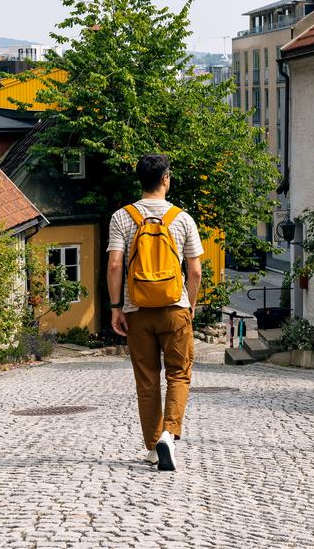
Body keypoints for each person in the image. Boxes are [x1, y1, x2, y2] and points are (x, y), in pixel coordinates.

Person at [107, 154, 203, 472]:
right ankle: (168, 434)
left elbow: (115, 264)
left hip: (137, 310)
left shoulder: (122, 217)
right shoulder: (182, 219)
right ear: (165, 179)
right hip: (174, 307)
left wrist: (116, 307)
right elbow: (196, 271)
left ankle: (152, 446)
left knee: (147, 380)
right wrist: (190, 303)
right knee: (178, 374)